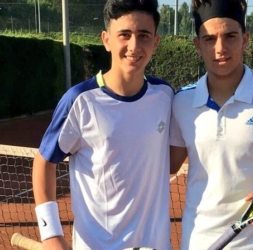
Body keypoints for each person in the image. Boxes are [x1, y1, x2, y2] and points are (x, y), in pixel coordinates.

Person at [32, 0, 173, 249]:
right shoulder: (79, 100)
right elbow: (44, 162)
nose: (134, 46)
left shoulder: (165, 96)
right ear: (106, 39)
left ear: (155, 42)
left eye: (143, 36)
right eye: (124, 35)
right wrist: (51, 234)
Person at [169, 0, 253, 249]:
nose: (220, 48)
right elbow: (168, 165)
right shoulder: (181, 101)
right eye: (209, 39)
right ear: (197, 45)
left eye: (230, 36)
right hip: (196, 241)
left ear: (245, 39)